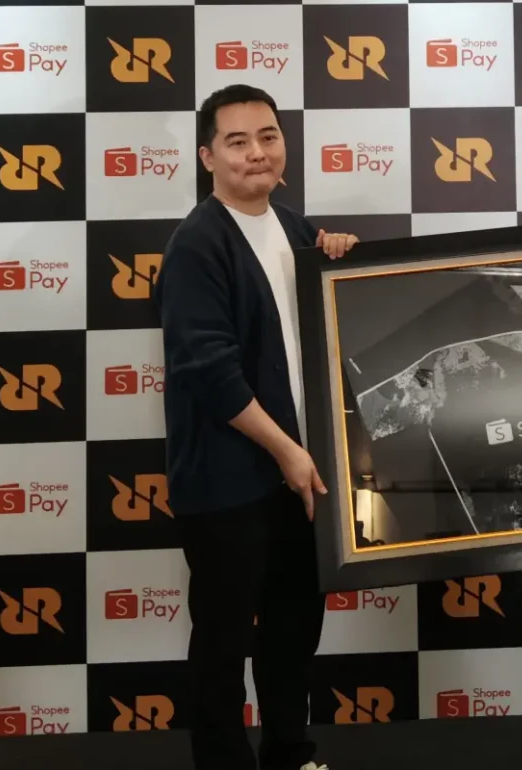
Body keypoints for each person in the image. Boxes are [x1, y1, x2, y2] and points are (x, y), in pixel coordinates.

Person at [154, 84, 359, 770]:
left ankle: (289, 754)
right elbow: (209, 373)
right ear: (208, 156)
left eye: (268, 136)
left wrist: (344, 260)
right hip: (227, 481)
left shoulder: (298, 230)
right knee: (222, 640)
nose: (256, 152)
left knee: (293, 629)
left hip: (298, 472)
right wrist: (287, 452)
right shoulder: (197, 244)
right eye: (237, 141)